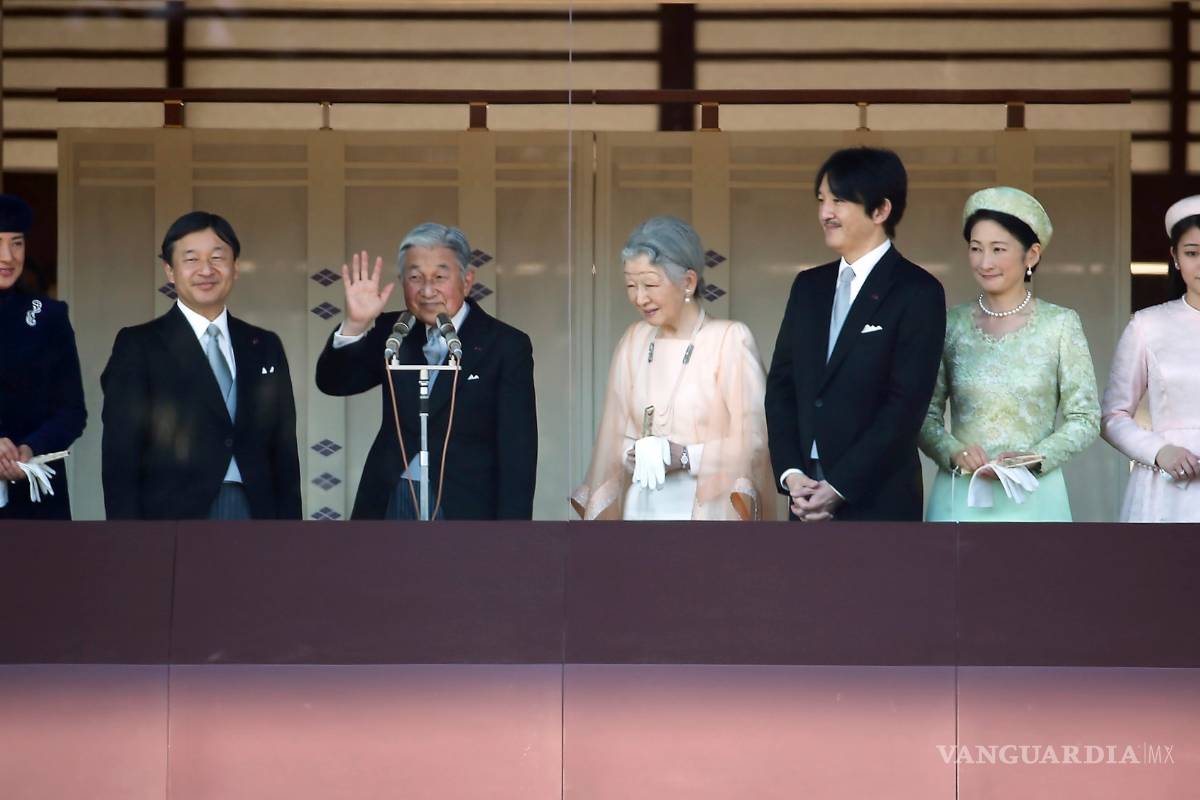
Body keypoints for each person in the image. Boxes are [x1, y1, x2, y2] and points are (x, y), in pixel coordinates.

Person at [765, 147, 946, 522]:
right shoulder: (808, 286)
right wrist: (791, 474)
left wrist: (839, 486)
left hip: (878, 498)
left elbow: (905, 406)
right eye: (822, 200)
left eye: (840, 200)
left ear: (881, 210)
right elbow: (782, 385)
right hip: (804, 494)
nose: (825, 213)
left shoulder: (917, 291)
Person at [315, 223, 537, 520]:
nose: (428, 290)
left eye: (440, 277)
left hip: (466, 504)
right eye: (415, 277)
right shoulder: (393, 331)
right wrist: (354, 324)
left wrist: (513, 536)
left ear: (467, 281)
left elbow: (517, 451)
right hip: (391, 496)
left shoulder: (505, 345)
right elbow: (333, 382)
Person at [100, 211, 301, 520]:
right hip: (172, 518)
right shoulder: (139, 345)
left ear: (235, 268)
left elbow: (284, 453)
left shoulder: (264, 345)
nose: (206, 270)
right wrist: (128, 540)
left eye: (218, 258)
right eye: (191, 259)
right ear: (170, 270)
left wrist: (291, 535)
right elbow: (120, 454)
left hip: (257, 514)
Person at [571, 216, 774, 521]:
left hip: (709, 510)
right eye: (630, 285)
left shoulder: (729, 340)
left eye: (650, 284)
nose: (640, 298)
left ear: (688, 282)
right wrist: (634, 452)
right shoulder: (634, 341)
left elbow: (754, 440)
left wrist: (685, 456)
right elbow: (612, 435)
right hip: (643, 506)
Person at [919, 187, 1100, 521]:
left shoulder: (1060, 325)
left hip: (1034, 496)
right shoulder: (950, 325)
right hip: (963, 496)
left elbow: (1085, 418)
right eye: (976, 249)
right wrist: (953, 452)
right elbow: (922, 414)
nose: (984, 262)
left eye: (998, 249)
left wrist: (1035, 457)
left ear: (1031, 254)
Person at [1100, 195, 1200, 522]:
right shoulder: (1147, 325)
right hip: (1169, 489)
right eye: (1192, 253)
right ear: (1175, 257)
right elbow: (1113, 415)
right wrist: (1158, 452)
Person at [0, 195, 87, 520]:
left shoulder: (48, 315)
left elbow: (72, 411)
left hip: (35, 492)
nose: (7, 256)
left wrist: (30, 448)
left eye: (17, 243)